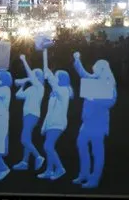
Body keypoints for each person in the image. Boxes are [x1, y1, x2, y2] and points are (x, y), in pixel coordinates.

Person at [72, 51, 117, 188]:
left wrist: (95, 98)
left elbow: (111, 102)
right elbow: (83, 74)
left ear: (102, 69)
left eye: (96, 69)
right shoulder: (94, 80)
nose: (94, 71)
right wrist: (77, 59)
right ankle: (84, 174)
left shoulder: (109, 84)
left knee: (97, 151)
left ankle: (94, 179)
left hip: (98, 123)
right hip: (87, 121)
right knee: (81, 144)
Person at [39, 66, 73, 180]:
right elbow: (49, 112)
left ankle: (60, 168)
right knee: (50, 146)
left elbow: (54, 85)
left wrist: (49, 76)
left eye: (56, 76)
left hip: (58, 123)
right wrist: (44, 126)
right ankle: (49, 170)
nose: (55, 78)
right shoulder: (54, 93)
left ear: (61, 79)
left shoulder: (64, 91)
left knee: (47, 146)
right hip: (51, 123)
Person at [13, 54, 45, 171]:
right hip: (27, 115)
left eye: (36, 75)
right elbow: (18, 95)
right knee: (27, 138)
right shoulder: (31, 88)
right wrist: (22, 85)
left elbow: (30, 75)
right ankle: (24, 162)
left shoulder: (40, 87)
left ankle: (38, 157)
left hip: (32, 115)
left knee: (24, 139)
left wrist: (24, 59)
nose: (33, 76)